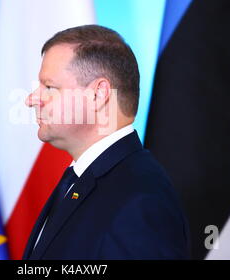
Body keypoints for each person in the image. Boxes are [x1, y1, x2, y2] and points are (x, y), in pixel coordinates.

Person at [23, 25, 190, 259]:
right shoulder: (84, 179)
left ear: (99, 94)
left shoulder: (140, 201)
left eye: (49, 87)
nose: (31, 100)